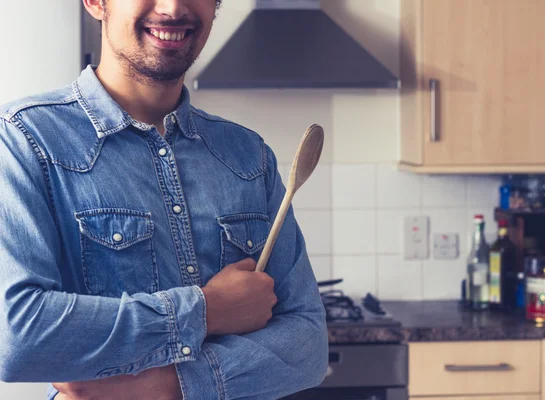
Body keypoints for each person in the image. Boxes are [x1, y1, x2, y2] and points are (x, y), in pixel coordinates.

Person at [0, 0, 328, 399]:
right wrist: (206, 311)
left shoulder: (249, 156)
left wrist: (163, 386)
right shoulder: (23, 140)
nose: (174, 8)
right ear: (96, 2)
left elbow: (309, 344)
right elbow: (16, 336)